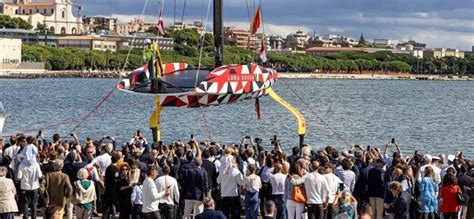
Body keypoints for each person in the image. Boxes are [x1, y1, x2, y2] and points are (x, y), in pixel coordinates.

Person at [16, 136, 42, 219]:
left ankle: (26, 216)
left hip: (24, 186)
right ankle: (33, 217)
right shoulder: (36, 165)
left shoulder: (22, 165)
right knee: (34, 204)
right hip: (34, 186)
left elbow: (19, 177)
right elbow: (39, 176)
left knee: (25, 203)